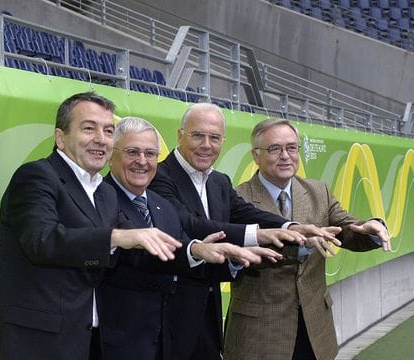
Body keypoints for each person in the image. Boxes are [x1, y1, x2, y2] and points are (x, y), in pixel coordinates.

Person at [0, 92, 184, 360]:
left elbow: (138, 247)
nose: (101, 139)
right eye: (89, 128)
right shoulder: (36, 176)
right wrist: (115, 238)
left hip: (86, 343)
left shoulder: (104, 192)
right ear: (60, 137)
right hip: (34, 345)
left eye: (108, 130)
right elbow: (42, 241)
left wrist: (196, 251)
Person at [148, 103, 333, 359]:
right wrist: (259, 235)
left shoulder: (218, 181)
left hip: (209, 320)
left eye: (214, 138)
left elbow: (246, 213)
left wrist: (289, 227)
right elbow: (191, 224)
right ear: (180, 135)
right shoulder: (159, 176)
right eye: (198, 135)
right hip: (170, 321)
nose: (206, 145)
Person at [99, 117, 280, 360]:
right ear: (110, 155)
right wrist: (196, 250)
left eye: (150, 153)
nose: (142, 161)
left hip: (171, 341)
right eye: (132, 152)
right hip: (121, 345)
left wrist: (234, 258)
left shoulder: (161, 205)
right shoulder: (99, 199)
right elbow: (144, 255)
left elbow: (184, 259)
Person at [223, 118, 390, 360]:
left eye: (292, 148)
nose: (285, 156)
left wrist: (371, 228)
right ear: (255, 155)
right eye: (275, 149)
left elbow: (346, 229)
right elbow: (241, 256)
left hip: (314, 329)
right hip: (259, 334)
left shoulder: (317, 191)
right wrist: (300, 244)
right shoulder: (238, 198)